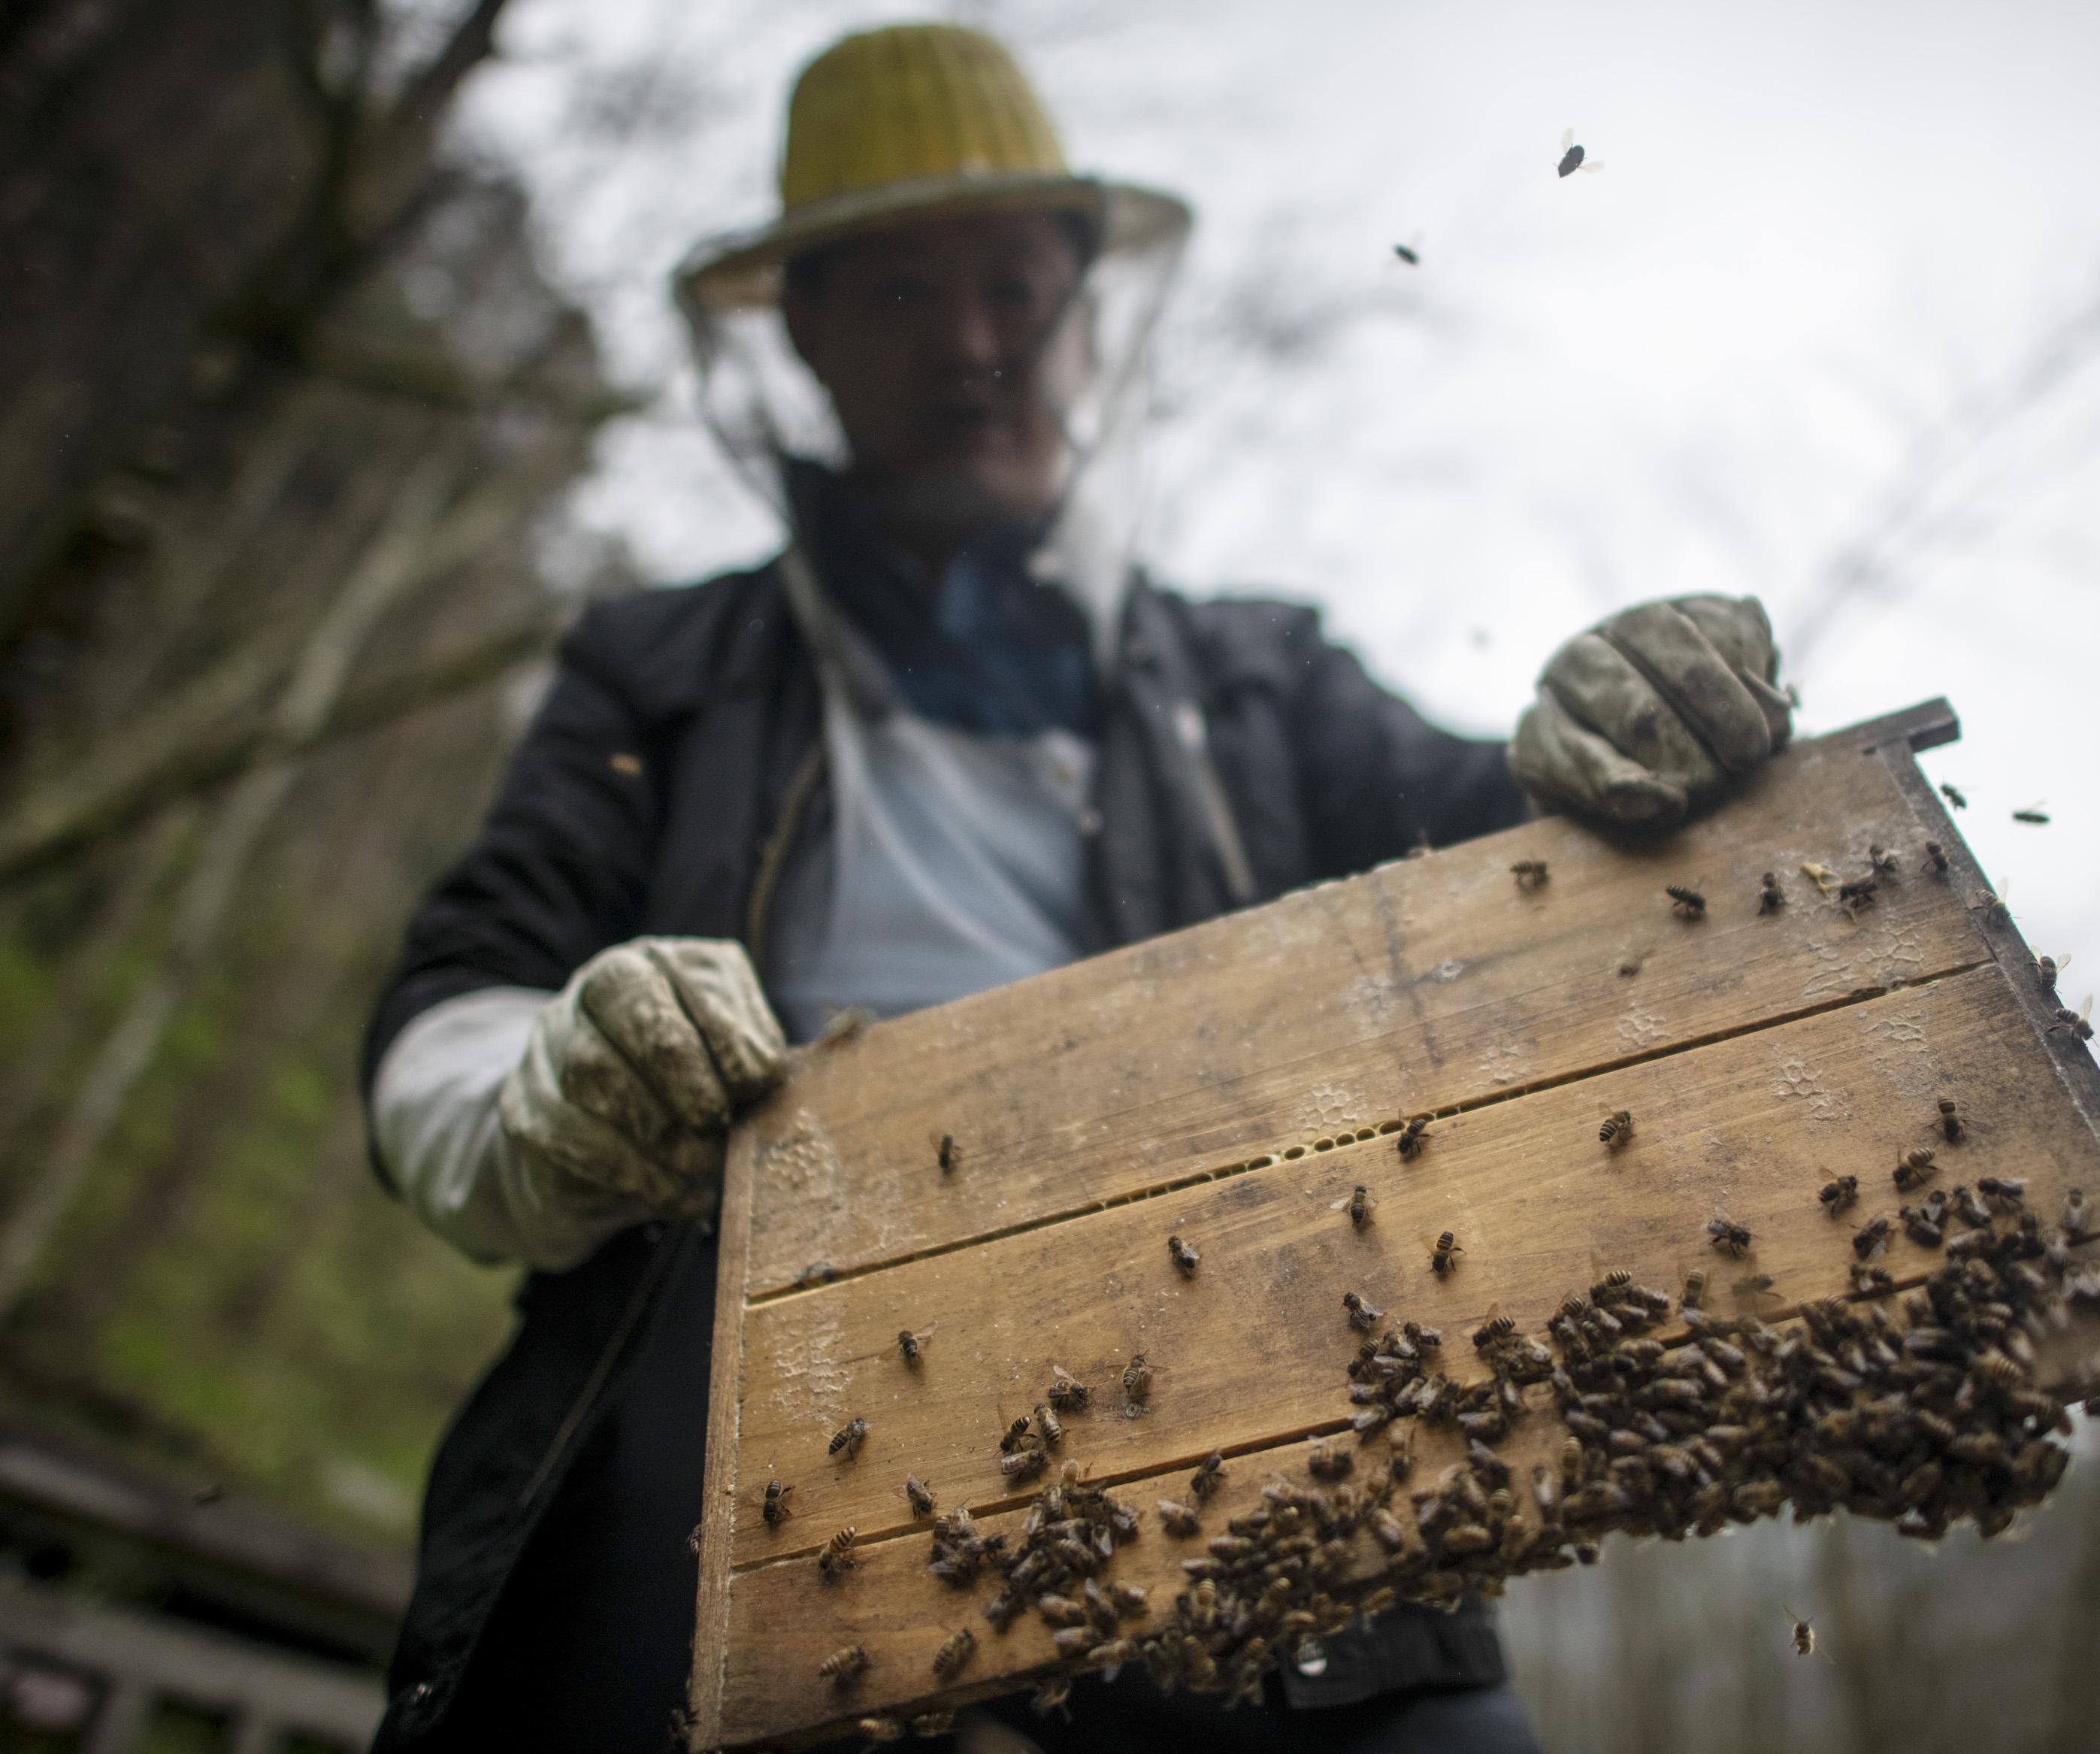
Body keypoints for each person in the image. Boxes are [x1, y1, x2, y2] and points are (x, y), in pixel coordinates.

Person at [359, 23, 1793, 1753]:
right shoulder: (663, 668)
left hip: (1232, 1344)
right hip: (737, 1340)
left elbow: (1521, 850)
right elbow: (454, 1007)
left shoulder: (1257, 678)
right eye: (898, 295)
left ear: (1084, 311)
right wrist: (566, 1102)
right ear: (804, 335)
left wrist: (1622, 723)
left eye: (1014, 289)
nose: (971, 346)